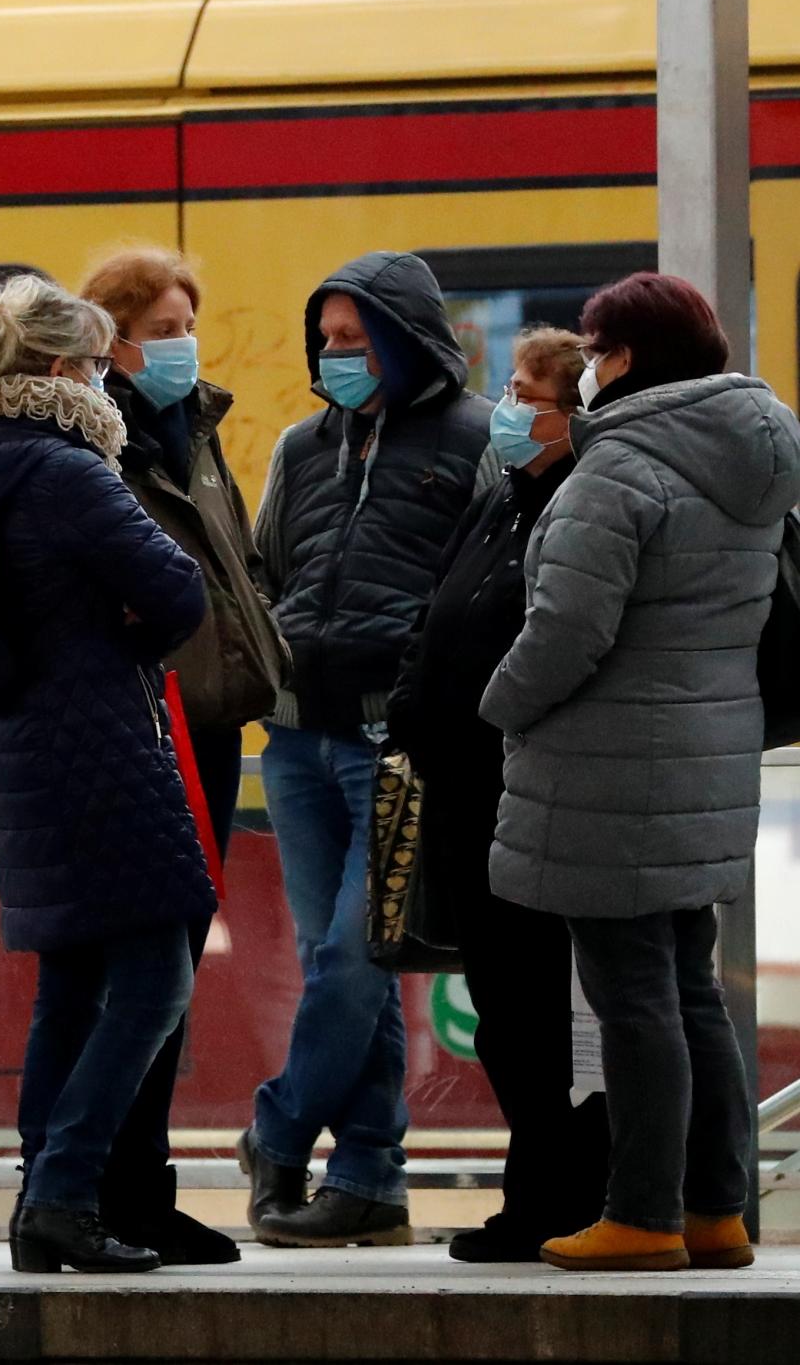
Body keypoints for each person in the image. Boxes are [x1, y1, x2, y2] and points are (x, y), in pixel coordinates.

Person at [479, 274, 800, 1273]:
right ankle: (715, 1207)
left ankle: (642, 1212)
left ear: (622, 358)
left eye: (591, 347)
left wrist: (497, 702)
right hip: (702, 757)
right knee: (687, 989)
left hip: (608, 765)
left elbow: (567, 627)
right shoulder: (746, 455)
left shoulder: (617, 467)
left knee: (632, 998)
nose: (580, 366)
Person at [0, 278, 213, 1273]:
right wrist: (126, 623)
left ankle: (42, 1199)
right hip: (94, 746)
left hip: (16, 748)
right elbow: (176, 587)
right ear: (55, 371)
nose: (105, 382)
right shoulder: (65, 468)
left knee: (71, 984)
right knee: (153, 976)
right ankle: (61, 1189)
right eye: (93, 363)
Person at [243, 251, 491, 1248]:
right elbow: (266, 563)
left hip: (397, 739)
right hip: (296, 737)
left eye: (354, 339)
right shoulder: (303, 445)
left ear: (404, 336)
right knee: (339, 958)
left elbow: (483, 581)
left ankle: (276, 1124)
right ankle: (368, 1179)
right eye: (326, 340)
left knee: (352, 952)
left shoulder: (473, 439)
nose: (334, 357)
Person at [77, 248, 286, 1266]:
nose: (179, 342)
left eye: (184, 322)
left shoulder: (188, 430)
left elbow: (232, 565)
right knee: (139, 970)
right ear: (109, 336)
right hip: (138, 723)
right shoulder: (97, 439)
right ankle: (104, 1188)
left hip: (204, 721)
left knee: (166, 967)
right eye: (159, 326)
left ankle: (133, 1185)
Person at [385, 327, 608, 1263]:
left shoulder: (577, 511)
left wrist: (474, 709)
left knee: (539, 1009)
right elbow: (442, 613)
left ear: (572, 417)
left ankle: (563, 1197)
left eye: (526, 395)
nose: (507, 410)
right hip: (465, 793)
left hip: (527, 791)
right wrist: (409, 706)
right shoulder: (503, 501)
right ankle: (536, 1195)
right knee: (504, 1007)